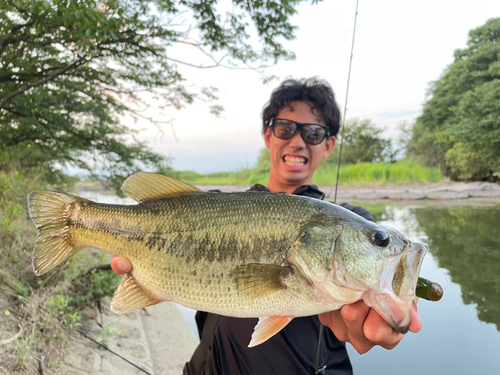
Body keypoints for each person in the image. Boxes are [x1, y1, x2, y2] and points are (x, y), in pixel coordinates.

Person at [111, 78, 421, 374]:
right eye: (285, 128)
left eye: (312, 133)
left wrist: (393, 311)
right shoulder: (217, 206)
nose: (297, 141)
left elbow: (387, 303)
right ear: (268, 136)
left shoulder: (353, 218)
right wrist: (149, 273)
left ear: (329, 145)